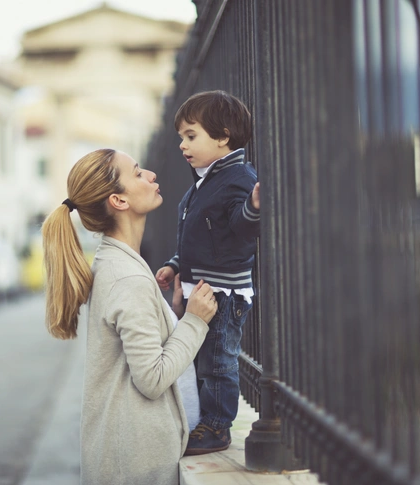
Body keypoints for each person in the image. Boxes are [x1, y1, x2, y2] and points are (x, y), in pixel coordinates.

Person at [41, 148, 218, 485]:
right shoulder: (127, 277)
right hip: (137, 466)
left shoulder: (118, 264)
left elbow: (137, 349)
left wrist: (175, 316)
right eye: (137, 173)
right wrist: (195, 322)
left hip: (129, 456)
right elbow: (151, 379)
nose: (151, 175)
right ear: (119, 201)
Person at [155, 90, 261, 456]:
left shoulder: (237, 178)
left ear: (223, 136)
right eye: (181, 137)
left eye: (191, 135)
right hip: (201, 288)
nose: (183, 145)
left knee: (218, 360)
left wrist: (254, 207)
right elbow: (200, 236)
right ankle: (203, 419)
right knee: (203, 360)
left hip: (223, 291)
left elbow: (241, 228)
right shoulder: (207, 179)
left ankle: (217, 427)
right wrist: (175, 264)